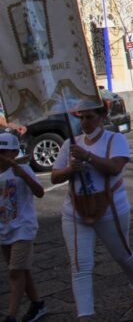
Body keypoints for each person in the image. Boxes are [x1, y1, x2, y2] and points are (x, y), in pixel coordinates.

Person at [51, 106, 133, 320]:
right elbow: (55, 176)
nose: (85, 123)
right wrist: (70, 169)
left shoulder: (115, 140)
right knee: (80, 265)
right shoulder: (70, 144)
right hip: (75, 210)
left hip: (111, 208)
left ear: (103, 117)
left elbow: (115, 168)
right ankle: (85, 315)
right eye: (82, 118)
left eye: (90, 117)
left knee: (122, 254)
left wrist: (87, 156)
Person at [0, 132, 45, 322]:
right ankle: (37, 304)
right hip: (4, 229)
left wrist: (24, 175)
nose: (2, 156)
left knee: (15, 271)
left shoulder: (23, 169)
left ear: (14, 153)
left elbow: (39, 192)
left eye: (5, 152)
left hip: (23, 228)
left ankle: (11, 315)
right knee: (22, 269)